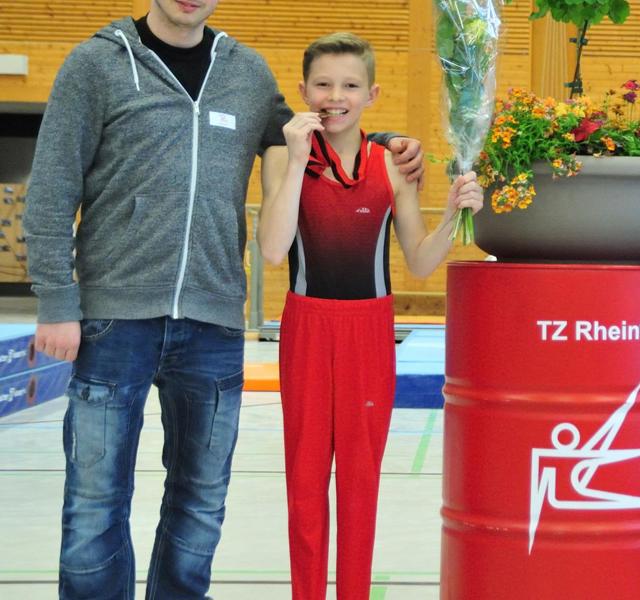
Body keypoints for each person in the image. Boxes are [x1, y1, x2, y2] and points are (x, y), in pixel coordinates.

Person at [24, 1, 424, 598]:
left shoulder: (247, 73)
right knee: (95, 499)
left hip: (212, 323)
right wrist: (57, 299)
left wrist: (389, 139)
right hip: (114, 317)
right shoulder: (96, 64)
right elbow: (53, 184)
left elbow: (320, 124)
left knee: (201, 500)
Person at [256, 32, 482, 599]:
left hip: (369, 331)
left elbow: (422, 262)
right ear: (304, 90)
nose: (336, 96)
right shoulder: (285, 155)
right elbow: (272, 249)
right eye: (324, 84)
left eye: (350, 85)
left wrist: (454, 215)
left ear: (372, 93)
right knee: (306, 481)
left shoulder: (391, 165)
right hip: (306, 326)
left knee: (360, 481)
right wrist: (300, 160)